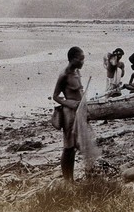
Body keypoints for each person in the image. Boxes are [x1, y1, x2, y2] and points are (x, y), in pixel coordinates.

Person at [52, 46, 85, 181]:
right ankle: (68, 180)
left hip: (79, 111)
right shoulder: (64, 74)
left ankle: (70, 178)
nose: (83, 62)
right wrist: (68, 103)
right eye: (81, 59)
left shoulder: (77, 71)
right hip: (68, 113)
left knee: (75, 145)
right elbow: (55, 96)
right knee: (68, 147)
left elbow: (79, 91)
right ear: (73, 59)